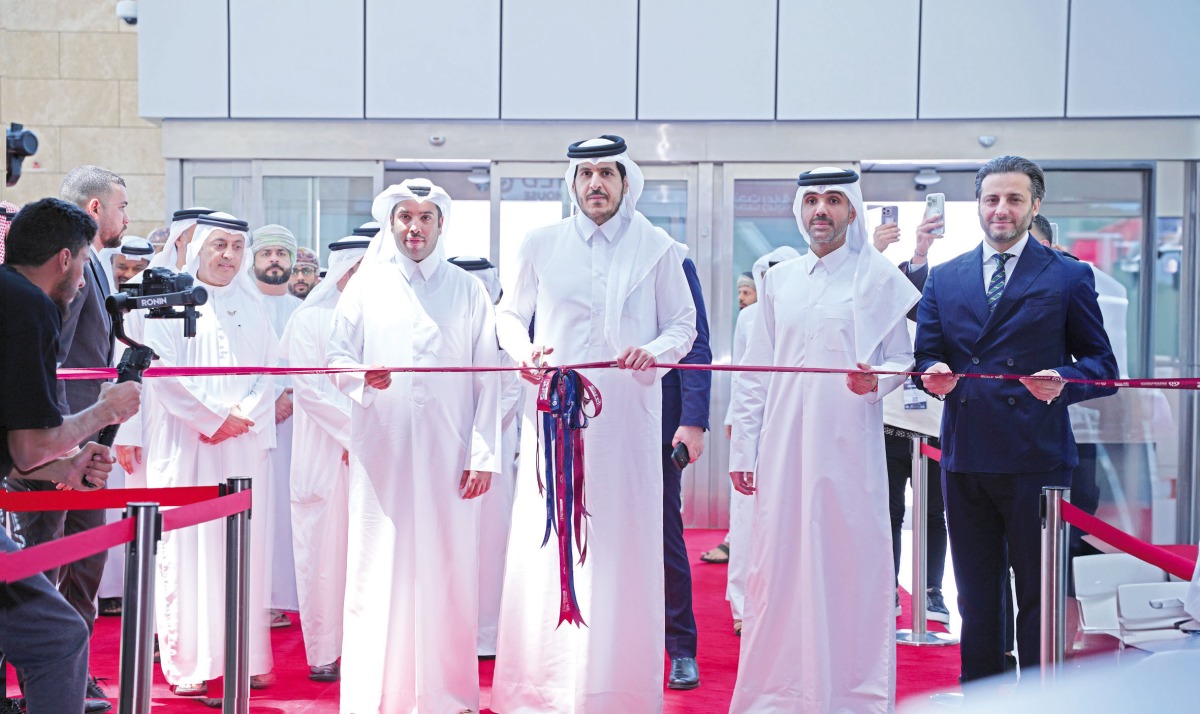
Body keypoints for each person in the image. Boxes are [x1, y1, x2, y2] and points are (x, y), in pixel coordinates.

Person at [491, 135, 696, 713]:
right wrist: (523, 352)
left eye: (607, 173)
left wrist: (653, 351)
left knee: (624, 544)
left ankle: (617, 688)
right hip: (555, 417)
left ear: (626, 181)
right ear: (572, 183)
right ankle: (545, 689)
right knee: (550, 536)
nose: (596, 184)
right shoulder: (541, 244)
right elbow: (509, 314)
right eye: (585, 175)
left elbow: (683, 325)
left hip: (629, 421)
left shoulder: (658, 247)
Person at [915, 155, 1118, 686]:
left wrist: (1063, 380)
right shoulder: (945, 276)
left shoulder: (1069, 275)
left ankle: (1042, 698)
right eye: (991, 199)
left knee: (1037, 595)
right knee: (977, 598)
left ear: (1035, 205)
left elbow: (1104, 367)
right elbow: (925, 357)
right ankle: (982, 695)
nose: (1001, 210)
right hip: (965, 456)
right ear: (978, 205)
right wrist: (929, 373)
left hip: (1038, 459)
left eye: (1013, 199)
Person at [327, 179, 502, 714]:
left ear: (441, 225)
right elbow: (334, 357)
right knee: (379, 566)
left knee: (449, 569)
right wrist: (362, 376)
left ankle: (446, 696)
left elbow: (488, 378)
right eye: (406, 216)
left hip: (451, 456)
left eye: (426, 218)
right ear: (391, 223)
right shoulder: (365, 286)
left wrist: (483, 452)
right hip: (385, 453)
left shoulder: (466, 290)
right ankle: (377, 696)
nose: (415, 227)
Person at [1, 197, 140, 714]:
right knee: (59, 635)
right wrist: (104, 411)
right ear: (64, 259)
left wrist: (68, 464)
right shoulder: (30, 305)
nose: (84, 281)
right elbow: (29, 445)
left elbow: (16, 452)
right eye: (84, 264)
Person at [141, 212, 278, 697]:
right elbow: (158, 372)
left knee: (243, 552)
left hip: (241, 445)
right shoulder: (166, 304)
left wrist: (242, 413)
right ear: (197, 247)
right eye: (219, 245)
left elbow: (273, 369)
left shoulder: (252, 304)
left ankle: (248, 656)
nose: (228, 256)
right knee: (189, 551)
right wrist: (212, 419)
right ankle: (192, 663)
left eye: (237, 247)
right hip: (187, 447)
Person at [280, 235, 368, 683]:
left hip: (373, 454)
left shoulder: (383, 317)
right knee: (321, 554)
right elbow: (308, 390)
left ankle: (370, 648)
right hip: (323, 454)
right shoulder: (308, 318)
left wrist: (367, 438)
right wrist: (355, 434)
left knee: (370, 554)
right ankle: (324, 652)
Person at [872, 215, 952, 623]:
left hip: (935, 428)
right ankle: (888, 588)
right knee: (888, 511)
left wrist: (921, 253)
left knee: (934, 512)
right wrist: (899, 252)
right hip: (888, 424)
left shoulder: (938, 316)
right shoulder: (881, 313)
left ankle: (931, 589)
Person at [717, 246, 800, 635]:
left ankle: (788, 604)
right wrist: (736, 419)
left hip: (797, 428)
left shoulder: (804, 313)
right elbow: (743, 374)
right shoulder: (750, 316)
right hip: (756, 426)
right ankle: (742, 605)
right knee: (747, 519)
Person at [446, 254, 523, 659]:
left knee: (492, 544)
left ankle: (488, 636)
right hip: (443, 451)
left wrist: (477, 443)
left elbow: (507, 395)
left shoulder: (503, 334)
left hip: (491, 456)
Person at [248, 224, 303, 624]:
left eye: (281, 254)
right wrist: (270, 399)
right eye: (266, 253)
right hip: (249, 425)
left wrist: (290, 397)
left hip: (296, 427)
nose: (274, 260)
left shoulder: (305, 311)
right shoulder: (241, 306)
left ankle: (278, 596)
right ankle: (249, 594)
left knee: (285, 508)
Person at [661, 256, 711, 690]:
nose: (597, 181)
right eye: (586, 177)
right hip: (589, 420)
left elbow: (695, 343)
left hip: (658, 424)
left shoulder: (671, 253)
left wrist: (693, 420)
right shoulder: (566, 253)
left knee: (664, 536)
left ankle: (680, 649)